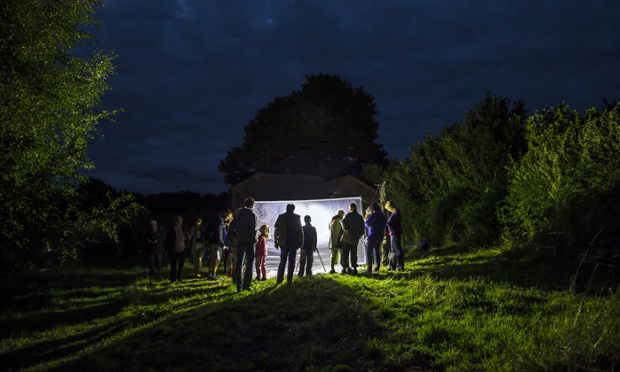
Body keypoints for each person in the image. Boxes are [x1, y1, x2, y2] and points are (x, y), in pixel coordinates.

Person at [229, 197, 258, 292]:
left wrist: (234, 236)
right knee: (249, 263)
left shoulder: (238, 214)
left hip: (240, 240)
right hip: (249, 241)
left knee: (239, 263)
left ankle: (239, 286)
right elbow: (253, 229)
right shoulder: (252, 215)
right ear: (252, 205)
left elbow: (232, 226)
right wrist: (254, 238)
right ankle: (246, 285)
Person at [274, 204, 304, 284]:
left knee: (282, 261)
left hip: (283, 242)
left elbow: (276, 230)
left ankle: (279, 279)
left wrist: (276, 241)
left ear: (286, 208)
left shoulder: (281, 217)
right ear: (293, 209)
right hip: (293, 242)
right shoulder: (297, 217)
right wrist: (302, 241)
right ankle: (289, 280)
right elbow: (300, 231)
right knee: (291, 261)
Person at [340, 203, 365, 275]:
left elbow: (343, 224)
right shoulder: (360, 217)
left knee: (345, 253)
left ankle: (344, 269)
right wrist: (358, 235)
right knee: (354, 254)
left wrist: (346, 230)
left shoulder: (348, 215)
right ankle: (354, 269)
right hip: (355, 239)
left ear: (350, 208)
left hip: (347, 238)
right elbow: (362, 229)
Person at [364, 202, 387, 274]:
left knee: (368, 251)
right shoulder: (383, 215)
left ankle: (369, 268)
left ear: (373, 209)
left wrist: (366, 221)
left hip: (372, 235)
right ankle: (377, 267)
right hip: (380, 235)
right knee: (376, 251)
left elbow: (367, 224)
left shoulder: (373, 215)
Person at [167, 215, 189, 283]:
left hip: (183, 249)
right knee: (174, 265)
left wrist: (187, 244)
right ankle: (173, 279)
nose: (181, 222)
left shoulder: (183, 228)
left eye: (181, 221)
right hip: (174, 249)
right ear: (176, 222)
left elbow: (186, 236)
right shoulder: (172, 229)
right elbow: (169, 239)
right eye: (179, 221)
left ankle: (179, 277)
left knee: (181, 264)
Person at [207, 210, 227, 280]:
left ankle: (210, 273)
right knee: (217, 258)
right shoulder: (220, 221)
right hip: (217, 242)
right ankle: (213, 274)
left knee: (213, 257)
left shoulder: (214, 219)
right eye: (229, 216)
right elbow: (219, 232)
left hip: (213, 241)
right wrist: (222, 243)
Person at [385, 200, 404, 271]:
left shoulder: (396, 213)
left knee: (397, 249)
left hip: (395, 233)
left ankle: (400, 266)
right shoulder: (394, 213)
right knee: (393, 250)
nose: (388, 210)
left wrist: (387, 222)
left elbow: (390, 222)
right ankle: (391, 265)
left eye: (388, 209)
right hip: (392, 233)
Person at [328, 209, 345, 273]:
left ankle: (332, 268)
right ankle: (344, 268)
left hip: (332, 241)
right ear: (341, 214)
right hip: (340, 240)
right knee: (343, 254)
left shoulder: (331, 221)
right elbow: (344, 229)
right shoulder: (341, 221)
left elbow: (329, 230)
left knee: (333, 255)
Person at [222, 209, 234, 277]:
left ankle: (230, 270)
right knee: (227, 256)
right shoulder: (224, 223)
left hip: (230, 241)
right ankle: (225, 270)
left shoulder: (231, 224)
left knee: (230, 257)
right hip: (226, 241)